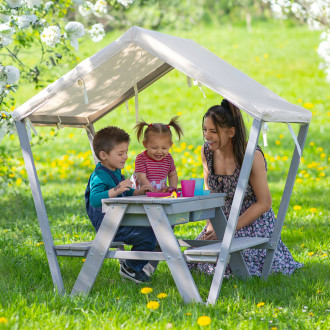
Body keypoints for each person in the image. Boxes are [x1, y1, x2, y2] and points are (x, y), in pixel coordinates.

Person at [189, 99, 303, 276]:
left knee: (237, 263)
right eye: (205, 130)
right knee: (199, 260)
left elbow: (264, 203)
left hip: (251, 221)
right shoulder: (207, 151)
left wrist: (229, 229)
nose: (207, 136)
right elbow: (209, 192)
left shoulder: (251, 156)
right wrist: (212, 225)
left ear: (231, 132)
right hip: (222, 217)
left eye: (213, 131)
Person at [85, 126, 156, 283]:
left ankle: (135, 267)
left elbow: (123, 193)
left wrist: (137, 192)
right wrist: (117, 189)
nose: (125, 156)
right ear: (103, 155)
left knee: (156, 228)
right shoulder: (99, 175)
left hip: (120, 220)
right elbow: (95, 199)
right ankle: (130, 267)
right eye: (120, 153)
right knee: (148, 235)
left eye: (126, 152)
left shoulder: (116, 171)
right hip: (108, 225)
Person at [133, 116, 183, 191]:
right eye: (154, 148)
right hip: (143, 195)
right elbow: (141, 178)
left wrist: (173, 188)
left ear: (170, 145)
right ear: (145, 144)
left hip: (160, 195)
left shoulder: (168, 158)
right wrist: (153, 191)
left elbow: (172, 175)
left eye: (164, 148)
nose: (159, 152)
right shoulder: (141, 158)